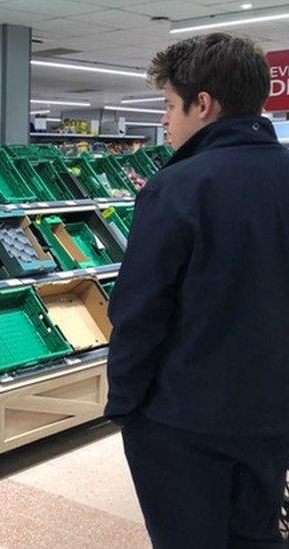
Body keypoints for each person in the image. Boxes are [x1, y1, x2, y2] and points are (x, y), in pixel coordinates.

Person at [106, 33, 289, 548]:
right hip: (273, 414)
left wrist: (125, 405)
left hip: (183, 421)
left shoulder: (178, 187)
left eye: (168, 105)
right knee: (256, 536)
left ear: (203, 104)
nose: (165, 120)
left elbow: (140, 312)